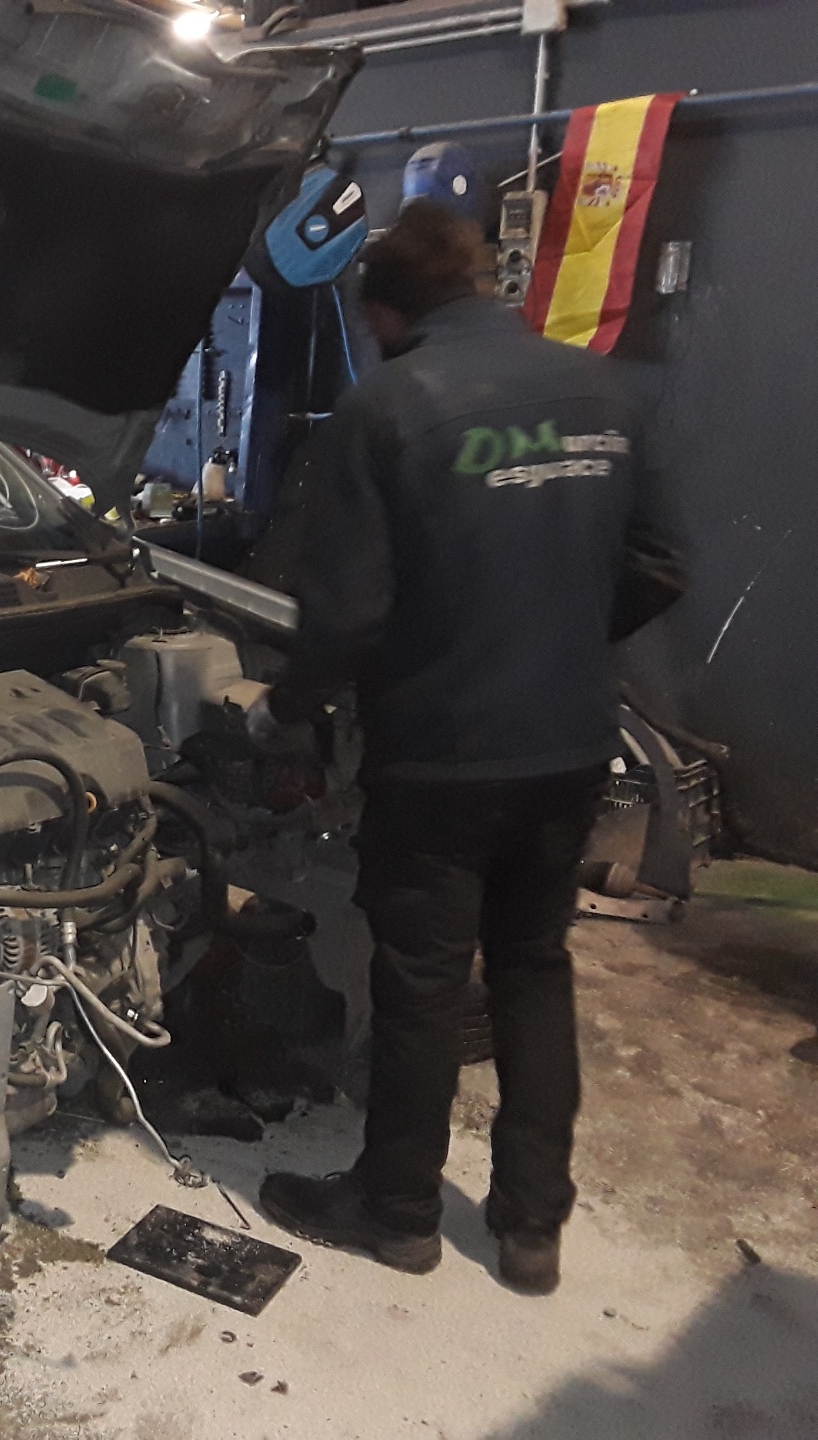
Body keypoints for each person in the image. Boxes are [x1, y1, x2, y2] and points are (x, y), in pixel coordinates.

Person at [247, 201, 688, 1294]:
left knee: (424, 981)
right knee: (535, 965)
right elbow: (662, 563)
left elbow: (347, 613)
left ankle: (397, 1212)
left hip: (440, 751)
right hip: (570, 740)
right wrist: (558, 635)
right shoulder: (602, 390)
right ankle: (532, 1229)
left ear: (387, 313)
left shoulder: (387, 407)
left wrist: (287, 708)